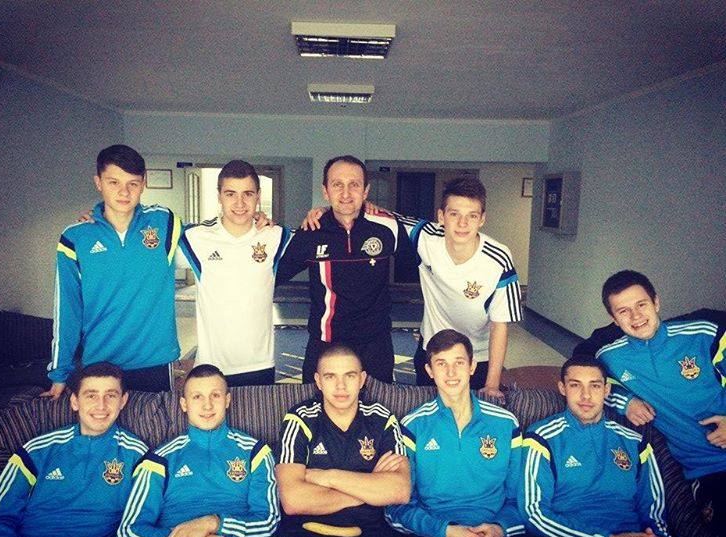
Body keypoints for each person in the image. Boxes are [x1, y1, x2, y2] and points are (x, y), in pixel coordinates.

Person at [302, 175, 522, 399]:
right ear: (441, 216)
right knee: (428, 411)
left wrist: (492, 383)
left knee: (472, 415)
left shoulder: (498, 258)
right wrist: (325, 212)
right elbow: (379, 214)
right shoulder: (425, 237)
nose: (462, 223)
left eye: (472, 216)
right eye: (454, 214)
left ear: (482, 219)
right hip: (432, 352)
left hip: (477, 356)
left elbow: (500, 325)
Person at [386, 329, 557, 537]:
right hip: (439, 536)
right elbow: (398, 506)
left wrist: (501, 529)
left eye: (459, 362)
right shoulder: (412, 426)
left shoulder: (506, 423)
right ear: (429, 371)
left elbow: (520, 497)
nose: (451, 372)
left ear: (472, 367)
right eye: (441, 364)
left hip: (496, 532)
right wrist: (446, 531)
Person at [595, 270, 726, 537]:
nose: (635, 317)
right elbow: (589, 385)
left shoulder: (704, 334)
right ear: (614, 320)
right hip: (709, 470)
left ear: (656, 302)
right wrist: (626, 401)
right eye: (623, 311)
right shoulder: (610, 357)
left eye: (641, 304)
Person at [46, 144, 181, 397]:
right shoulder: (75, 238)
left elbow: (213, 236)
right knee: (104, 424)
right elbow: (67, 310)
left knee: (158, 424)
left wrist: (256, 221)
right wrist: (59, 374)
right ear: (98, 183)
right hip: (100, 364)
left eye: (133, 183)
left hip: (155, 362)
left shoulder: (164, 222)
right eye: (113, 182)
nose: (124, 192)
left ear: (144, 184)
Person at [0, 362, 146, 537]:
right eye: (91, 395)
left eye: (111, 395)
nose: (101, 405)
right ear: (75, 401)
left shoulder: (138, 455)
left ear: (123, 401)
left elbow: (142, 529)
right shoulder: (36, 450)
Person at [276, 155, 416, 383]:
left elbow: (423, 262)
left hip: (375, 345)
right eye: (337, 184)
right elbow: (271, 275)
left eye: (354, 185)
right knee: (315, 403)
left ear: (365, 191)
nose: (346, 193)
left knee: (378, 404)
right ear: (325, 191)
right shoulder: (311, 231)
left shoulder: (388, 226)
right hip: (326, 343)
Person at [117, 363, 278, 537]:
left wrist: (214, 524)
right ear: (184, 404)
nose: (207, 405)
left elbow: (269, 526)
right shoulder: (158, 459)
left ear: (227, 400)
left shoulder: (256, 452)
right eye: (197, 397)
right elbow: (129, 536)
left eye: (215, 395)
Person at [520, 355, 673, 537]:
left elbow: (654, 510)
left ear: (606, 390)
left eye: (595, 386)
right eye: (575, 385)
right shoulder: (541, 437)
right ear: (562, 388)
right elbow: (534, 513)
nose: (586, 395)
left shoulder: (636, 442)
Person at [272, 344, 411, 537]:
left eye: (350, 376)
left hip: (371, 535)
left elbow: (399, 490)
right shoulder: (300, 419)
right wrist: (370, 486)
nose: (341, 386)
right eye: (330, 377)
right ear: (318, 381)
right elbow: (292, 500)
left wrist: (328, 477)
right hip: (308, 534)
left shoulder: (381, 417)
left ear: (362, 379)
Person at [177, 160, 292, 385]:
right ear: (219, 196)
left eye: (248, 194)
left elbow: (321, 233)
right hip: (212, 366)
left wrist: (324, 210)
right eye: (230, 194)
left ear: (258, 196)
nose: (240, 203)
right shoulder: (195, 237)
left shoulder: (276, 236)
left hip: (260, 364)